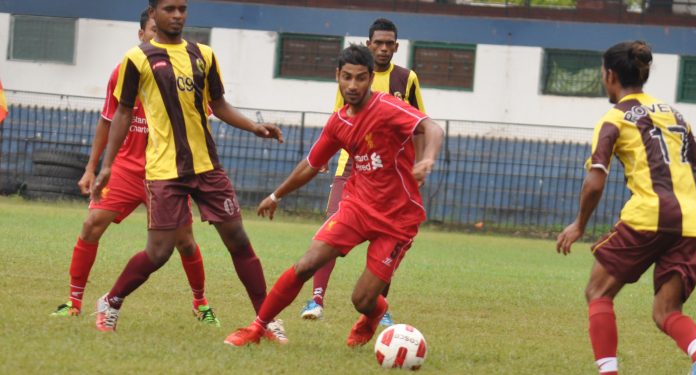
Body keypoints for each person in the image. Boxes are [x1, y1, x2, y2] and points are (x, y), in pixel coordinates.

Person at [223, 44, 444, 347]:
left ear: (370, 79)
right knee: (306, 264)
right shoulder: (339, 122)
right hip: (357, 207)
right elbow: (311, 164)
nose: (353, 86)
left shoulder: (388, 107)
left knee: (363, 299)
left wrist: (427, 159)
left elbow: (431, 128)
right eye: (347, 77)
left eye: (361, 79)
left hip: (398, 218)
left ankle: (373, 315)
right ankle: (258, 327)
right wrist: (276, 195)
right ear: (337, 76)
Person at [91, 0, 286, 342]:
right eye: (169, 9)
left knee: (239, 240)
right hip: (165, 171)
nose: (178, 15)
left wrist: (254, 127)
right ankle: (111, 300)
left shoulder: (204, 55)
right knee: (160, 252)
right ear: (153, 12)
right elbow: (122, 112)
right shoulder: (137, 59)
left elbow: (219, 104)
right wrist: (107, 165)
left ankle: (266, 319)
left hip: (207, 167)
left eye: (182, 8)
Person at [555, 41, 696, 375]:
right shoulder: (676, 115)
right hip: (694, 221)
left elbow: (595, 180)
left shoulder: (614, 118)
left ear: (610, 75)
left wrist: (579, 224)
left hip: (649, 215)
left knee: (598, 291)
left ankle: (609, 372)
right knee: (666, 311)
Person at [50, 9, 219, 327]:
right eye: (153, 30)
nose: (159, 36)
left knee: (185, 241)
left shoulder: (184, 69)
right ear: (141, 34)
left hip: (167, 171)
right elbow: (107, 120)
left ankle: (201, 303)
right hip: (127, 169)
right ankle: (73, 302)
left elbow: (201, 118)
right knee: (91, 225)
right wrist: (93, 168)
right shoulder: (126, 69)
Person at [300, 17, 426, 327]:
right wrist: (327, 154)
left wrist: (419, 166)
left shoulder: (406, 78)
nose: (383, 48)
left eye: (389, 44)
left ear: (396, 47)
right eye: (378, 43)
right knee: (332, 232)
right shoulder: (351, 77)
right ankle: (317, 297)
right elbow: (338, 118)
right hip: (350, 169)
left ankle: (380, 308)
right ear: (369, 45)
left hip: (390, 177)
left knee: (386, 246)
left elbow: (421, 125)